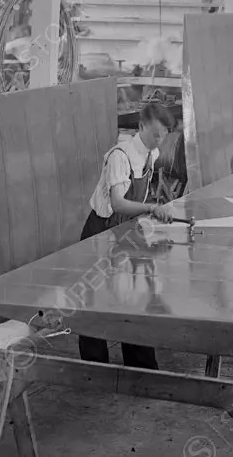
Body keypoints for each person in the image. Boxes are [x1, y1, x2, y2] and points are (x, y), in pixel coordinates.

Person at [78, 102, 176, 370]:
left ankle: (141, 364)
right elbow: (119, 203)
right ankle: (95, 367)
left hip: (125, 230)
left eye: (164, 135)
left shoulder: (151, 154)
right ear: (141, 126)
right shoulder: (120, 156)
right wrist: (152, 208)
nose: (160, 140)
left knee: (136, 295)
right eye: (156, 133)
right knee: (96, 300)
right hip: (101, 230)